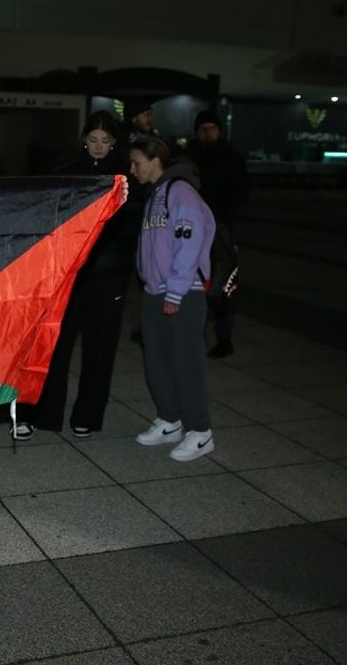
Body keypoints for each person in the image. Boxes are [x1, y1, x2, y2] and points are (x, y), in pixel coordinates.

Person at [14, 111, 135, 440]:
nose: (98, 147)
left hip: (108, 274)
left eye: (105, 141)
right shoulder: (66, 171)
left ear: (114, 142)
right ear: (84, 138)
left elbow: (130, 226)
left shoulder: (125, 176)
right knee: (53, 345)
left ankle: (88, 415)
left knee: (100, 348)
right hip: (69, 273)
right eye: (93, 140)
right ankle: (41, 413)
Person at [130, 137, 217, 462]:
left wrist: (176, 290)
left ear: (155, 161)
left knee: (185, 363)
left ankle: (200, 431)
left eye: (137, 162)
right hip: (155, 290)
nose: (133, 169)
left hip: (183, 292)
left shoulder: (181, 193)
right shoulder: (155, 195)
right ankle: (170, 420)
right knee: (157, 360)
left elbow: (188, 244)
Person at [186, 110, 247, 358]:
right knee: (195, 279)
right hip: (195, 224)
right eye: (203, 129)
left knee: (225, 280)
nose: (207, 133)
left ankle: (224, 337)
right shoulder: (190, 157)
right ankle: (195, 332)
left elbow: (241, 191)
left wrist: (218, 210)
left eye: (212, 128)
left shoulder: (231, 157)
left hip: (221, 225)